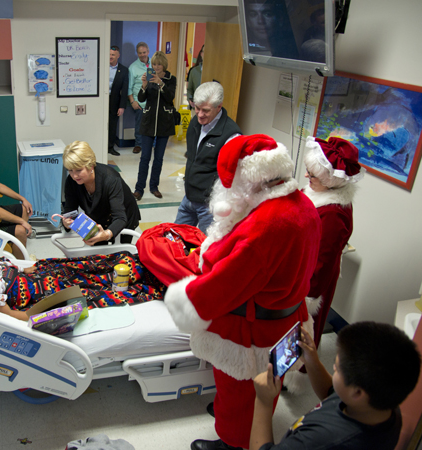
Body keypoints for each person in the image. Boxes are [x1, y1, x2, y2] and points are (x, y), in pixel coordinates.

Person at [164, 134, 321, 450]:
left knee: (238, 391)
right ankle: (234, 419)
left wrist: (186, 299)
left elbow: (226, 284)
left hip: (252, 332)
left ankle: (232, 442)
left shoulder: (264, 226)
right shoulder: (303, 204)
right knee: (266, 386)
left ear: (249, 180)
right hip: (287, 320)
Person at [250, 323, 421, 450]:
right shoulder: (383, 406)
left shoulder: (319, 441)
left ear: (358, 392)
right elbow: (331, 394)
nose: (333, 368)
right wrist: (313, 362)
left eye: (337, 368)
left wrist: (263, 401)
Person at [285, 136, 365, 392]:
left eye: (313, 176)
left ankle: (290, 374)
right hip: (299, 268)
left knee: (301, 327)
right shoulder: (320, 191)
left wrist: (306, 296)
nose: (307, 178)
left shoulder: (333, 213)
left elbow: (323, 262)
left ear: (331, 181)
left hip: (310, 282)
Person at [174, 82, 242, 233]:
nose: (199, 114)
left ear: (219, 107)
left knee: (208, 248)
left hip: (209, 206)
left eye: (205, 110)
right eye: (197, 108)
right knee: (176, 239)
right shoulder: (195, 123)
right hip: (189, 197)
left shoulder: (231, 135)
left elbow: (231, 176)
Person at [62, 141, 140, 246]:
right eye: (70, 170)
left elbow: (120, 218)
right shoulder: (72, 182)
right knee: (99, 252)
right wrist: (67, 223)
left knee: (119, 253)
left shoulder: (110, 179)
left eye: (79, 170)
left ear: (91, 166)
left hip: (124, 215)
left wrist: (107, 234)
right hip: (99, 217)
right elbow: (70, 210)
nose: (74, 176)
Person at [133, 51, 177, 201]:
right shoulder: (149, 78)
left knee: (158, 158)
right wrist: (144, 86)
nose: (156, 67)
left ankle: (154, 187)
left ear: (164, 65)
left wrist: (161, 83)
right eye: (154, 65)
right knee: (144, 157)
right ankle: (139, 189)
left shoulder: (171, 79)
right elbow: (141, 98)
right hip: (148, 123)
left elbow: (170, 97)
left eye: (159, 64)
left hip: (164, 124)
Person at [127, 42, 151, 154]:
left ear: (148, 52)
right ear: (137, 53)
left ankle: (150, 145)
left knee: (151, 124)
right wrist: (132, 101)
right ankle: (138, 145)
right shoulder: (133, 67)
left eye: (144, 52)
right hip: (139, 102)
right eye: (140, 53)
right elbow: (129, 87)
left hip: (152, 102)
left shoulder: (154, 65)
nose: (142, 55)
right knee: (140, 125)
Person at [108, 45, 129, 156]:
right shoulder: (101, 66)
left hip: (114, 100)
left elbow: (124, 90)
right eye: (109, 54)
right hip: (102, 100)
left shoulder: (124, 70)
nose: (110, 57)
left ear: (118, 56)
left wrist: (122, 106)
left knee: (112, 125)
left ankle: (110, 147)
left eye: (113, 55)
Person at [187, 45, 204, 110]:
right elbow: (189, 89)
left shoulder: (215, 72)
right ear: (201, 54)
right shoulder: (194, 71)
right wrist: (190, 99)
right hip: (196, 108)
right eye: (204, 52)